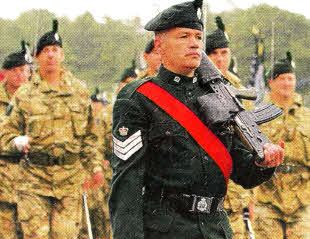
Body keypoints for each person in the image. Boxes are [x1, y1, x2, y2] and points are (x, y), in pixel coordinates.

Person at [108, 1, 284, 239]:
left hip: (215, 228)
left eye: (198, 36)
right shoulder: (139, 98)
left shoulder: (220, 96)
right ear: (159, 45)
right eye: (183, 36)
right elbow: (126, 183)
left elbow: (241, 171)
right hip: (164, 230)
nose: (194, 43)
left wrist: (263, 163)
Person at [0, 19, 104, 239]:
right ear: (37, 58)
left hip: (69, 180)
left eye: (55, 50)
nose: (51, 55)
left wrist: (94, 167)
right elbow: (5, 136)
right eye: (46, 51)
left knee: (65, 235)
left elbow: (90, 137)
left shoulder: (79, 92)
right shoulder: (25, 95)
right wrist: (17, 143)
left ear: (62, 55)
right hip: (34, 181)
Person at [205, 16, 254, 238]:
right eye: (214, 53)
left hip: (235, 190)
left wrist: (253, 197)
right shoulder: (194, 87)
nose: (219, 59)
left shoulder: (242, 91)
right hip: (203, 186)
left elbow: (253, 143)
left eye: (224, 53)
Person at [253, 51, 310, 239]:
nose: (287, 83)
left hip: (302, 200)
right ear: (270, 82)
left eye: (291, 78)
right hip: (267, 197)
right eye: (282, 78)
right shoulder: (258, 115)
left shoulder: (307, 117)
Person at [0, 40, 32, 239]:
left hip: (33, 180)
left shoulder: (36, 97)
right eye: (16, 71)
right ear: (6, 72)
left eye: (24, 70)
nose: (21, 75)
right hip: (4, 180)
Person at [79, 88, 112, 239]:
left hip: (110, 174)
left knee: (105, 218)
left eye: (101, 103)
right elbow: (94, 148)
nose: (98, 106)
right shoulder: (88, 121)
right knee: (89, 218)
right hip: (87, 175)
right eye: (95, 103)